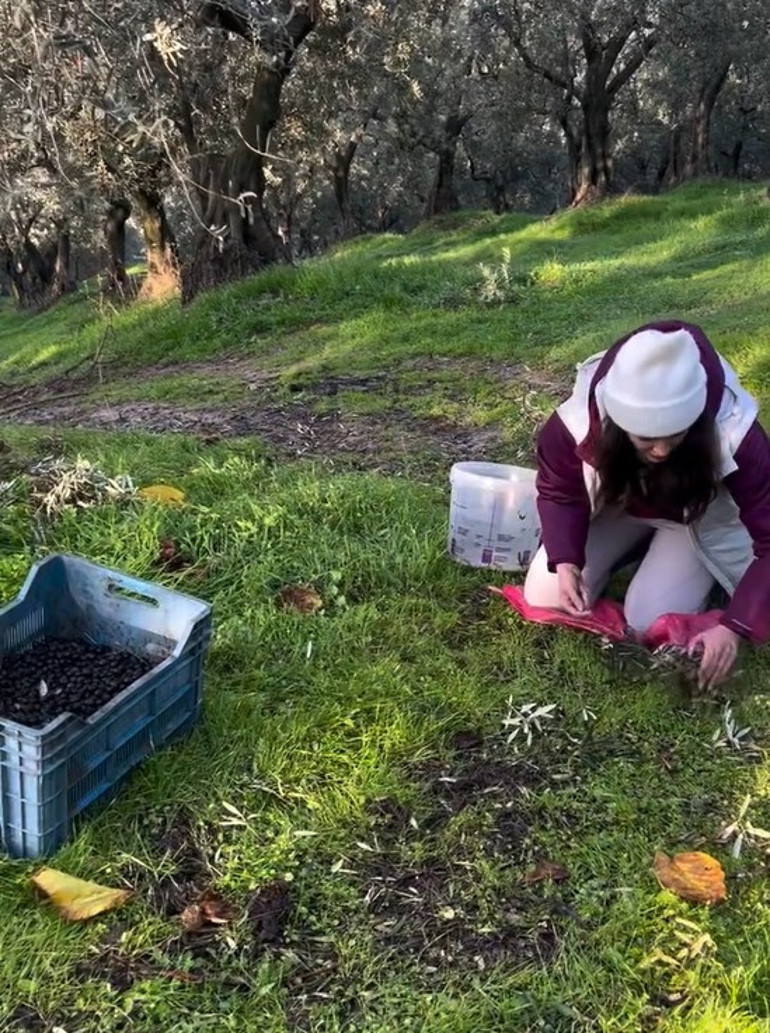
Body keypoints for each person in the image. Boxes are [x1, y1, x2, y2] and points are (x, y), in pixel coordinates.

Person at [523, 320, 770, 690]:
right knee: (544, 594)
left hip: (693, 521)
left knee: (647, 619)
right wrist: (567, 558)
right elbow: (559, 489)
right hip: (620, 507)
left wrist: (736, 626)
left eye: (676, 436)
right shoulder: (577, 420)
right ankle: (630, 550)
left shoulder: (736, 431)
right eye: (646, 439)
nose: (662, 450)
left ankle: (692, 582)